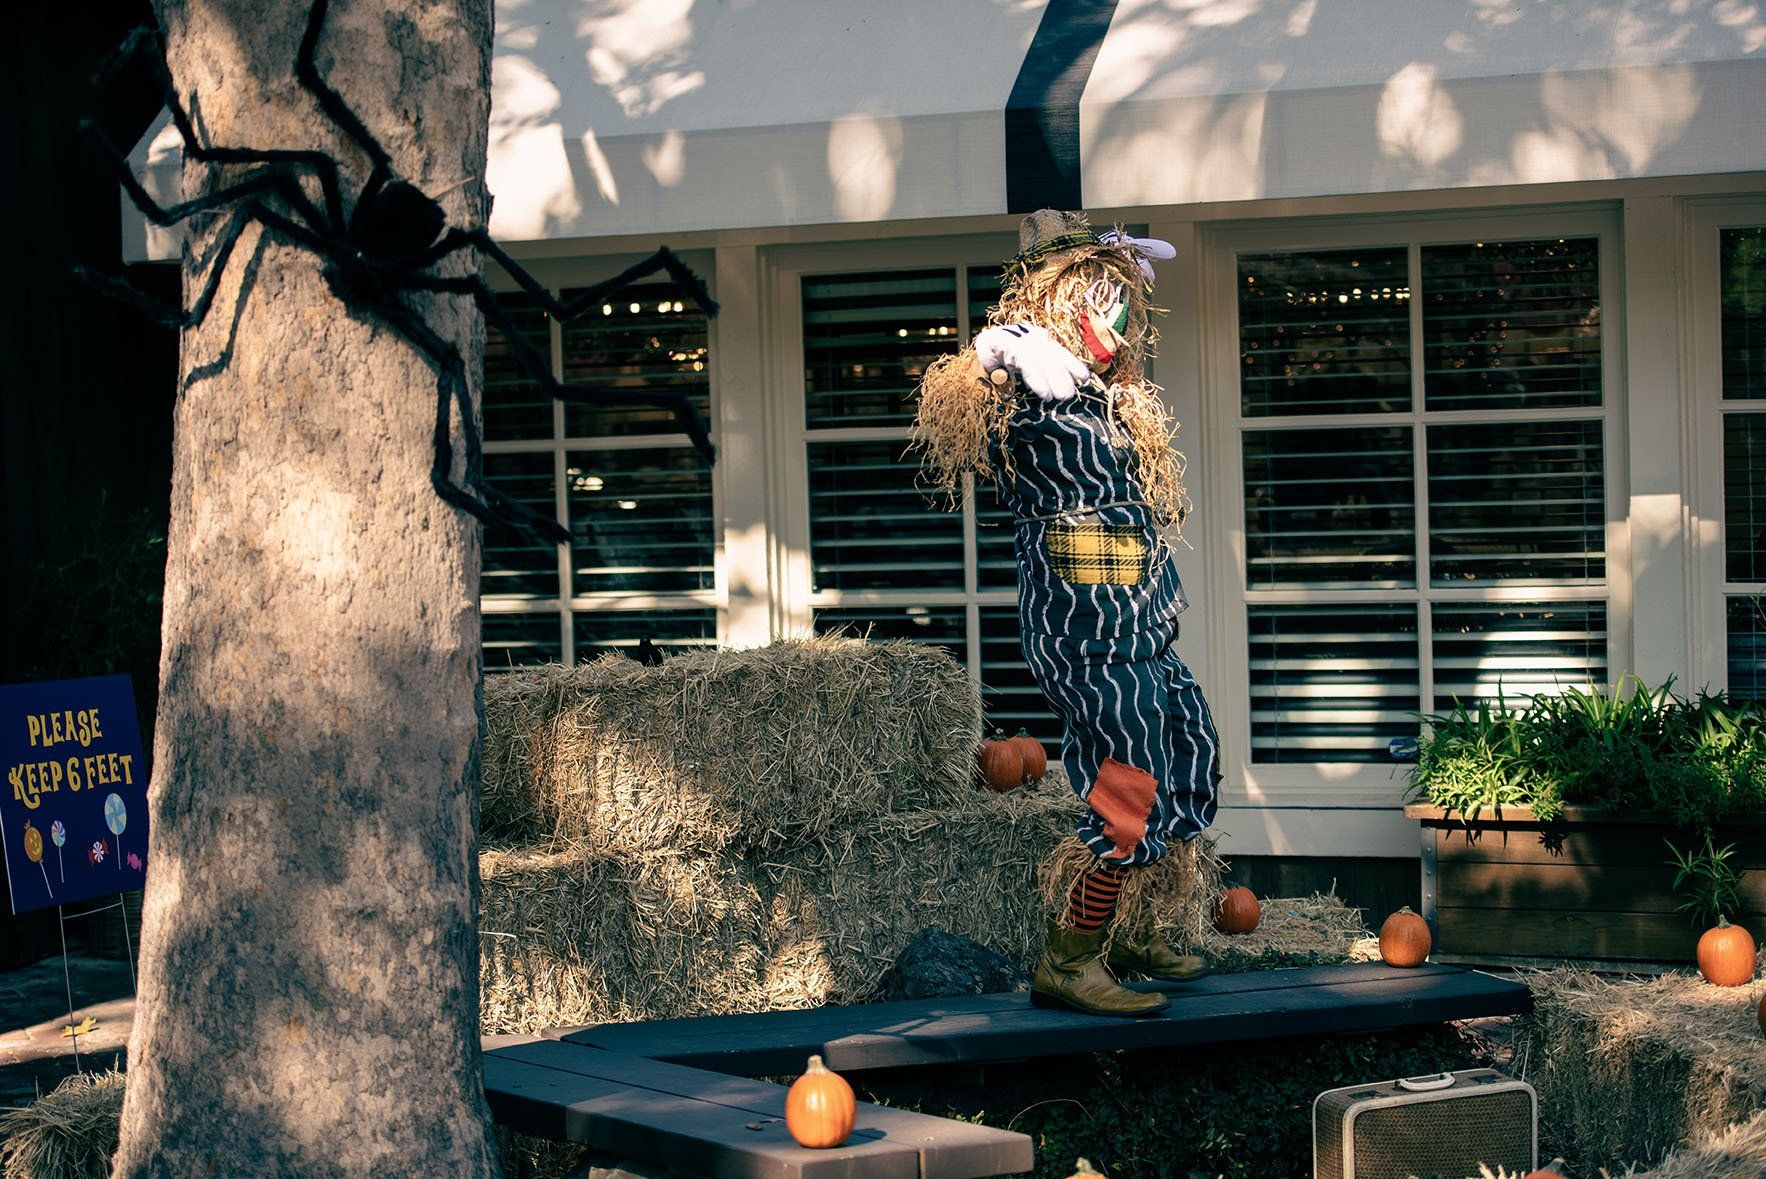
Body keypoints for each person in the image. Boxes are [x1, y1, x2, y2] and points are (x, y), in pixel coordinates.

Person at [912, 209, 1221, 1017]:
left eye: (1122, 302)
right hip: (1087, 632)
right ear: (1055, 300)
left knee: (1190, 748)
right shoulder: (1025, 384)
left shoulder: (1103, 396)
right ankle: (1071, 955)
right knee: (1129, 776)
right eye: (1097, 298)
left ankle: (1144, 924)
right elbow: (954, 399)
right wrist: (995, 351)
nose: (1113, 322)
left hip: (1144, 624)